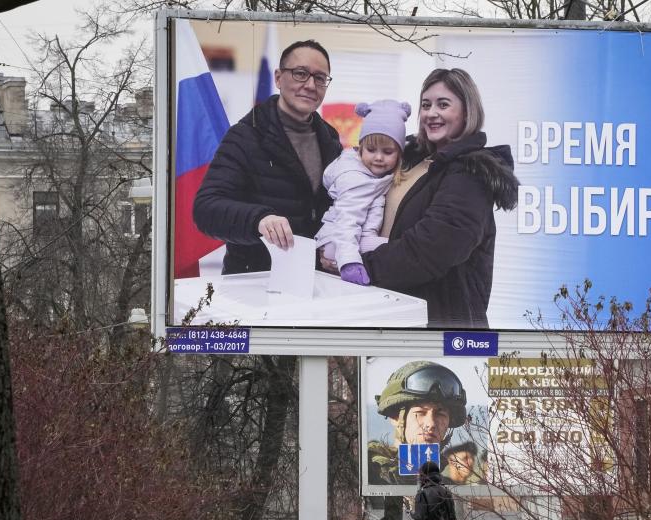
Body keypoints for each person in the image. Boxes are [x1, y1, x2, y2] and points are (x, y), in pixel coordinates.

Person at [352, 68, 519, 328]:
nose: (431, 113)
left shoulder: (470, 174)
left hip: (442, 327)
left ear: (467, 111)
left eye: (443, 104)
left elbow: (431, 249)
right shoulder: (408, 158)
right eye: (426, 105)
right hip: (393, 314)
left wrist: (361, 266)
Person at [194, 40, 343, 274]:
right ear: (278, 78)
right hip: (255, 284)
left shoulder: (331, 139)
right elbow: (206, 209)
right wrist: (259, 220)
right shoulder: (245, 136)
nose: (311, 85)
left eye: (320, 78)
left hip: (314, 283)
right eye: (300, 74)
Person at [314, 100, 412, 285]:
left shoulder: (375, 176)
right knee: (399, 250)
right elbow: (348, 220)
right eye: (371, 149)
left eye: (388, 151)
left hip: (349, 241)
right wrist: (349, 262)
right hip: (339, 244)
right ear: (360, 149)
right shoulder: (356, 178)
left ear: (400, 153)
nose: (379, 157)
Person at [367, 361, 468, 485]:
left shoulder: (448, 488)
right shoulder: (367, 473)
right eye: (420, 413)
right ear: (395, 418)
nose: (431, 424)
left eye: (440, 414)